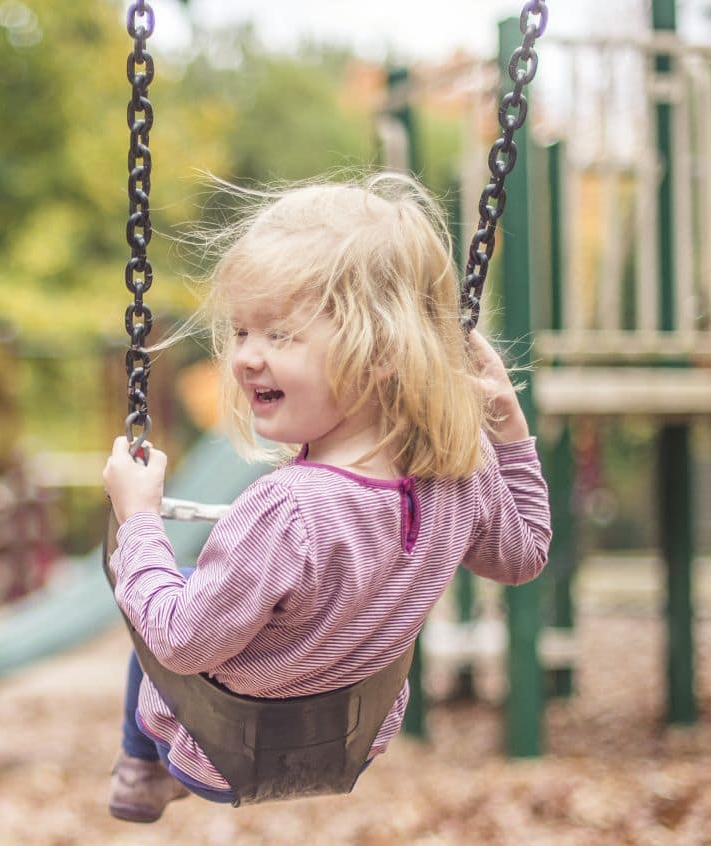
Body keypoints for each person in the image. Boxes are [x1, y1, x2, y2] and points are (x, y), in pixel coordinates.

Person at [101, 172, 553, 822]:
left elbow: (177, 643)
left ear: (382, 353)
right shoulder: (463, 473)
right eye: (241, 332)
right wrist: (509, 437)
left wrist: (139, 519)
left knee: (164, 587)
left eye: (279, 335)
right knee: (199, 580)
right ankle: (144, 766)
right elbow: (525, 555)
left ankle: (143, 767)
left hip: (220, 741)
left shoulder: (286, 508)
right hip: (345, 736)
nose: (245, 358)